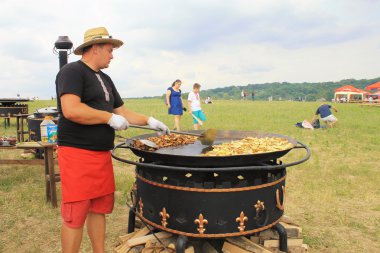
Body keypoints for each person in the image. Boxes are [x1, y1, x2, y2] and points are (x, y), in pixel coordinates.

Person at [55, 27, 169, 253]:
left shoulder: (105, 79)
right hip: (77, 154)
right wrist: (108, 118)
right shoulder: (72, 72)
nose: (112, 55)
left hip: (101, 156)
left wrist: (149, 120)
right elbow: (71, 109)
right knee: (75, 214)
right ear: (95, 48)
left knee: (99, 208)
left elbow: (123, 111)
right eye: (110, 50)